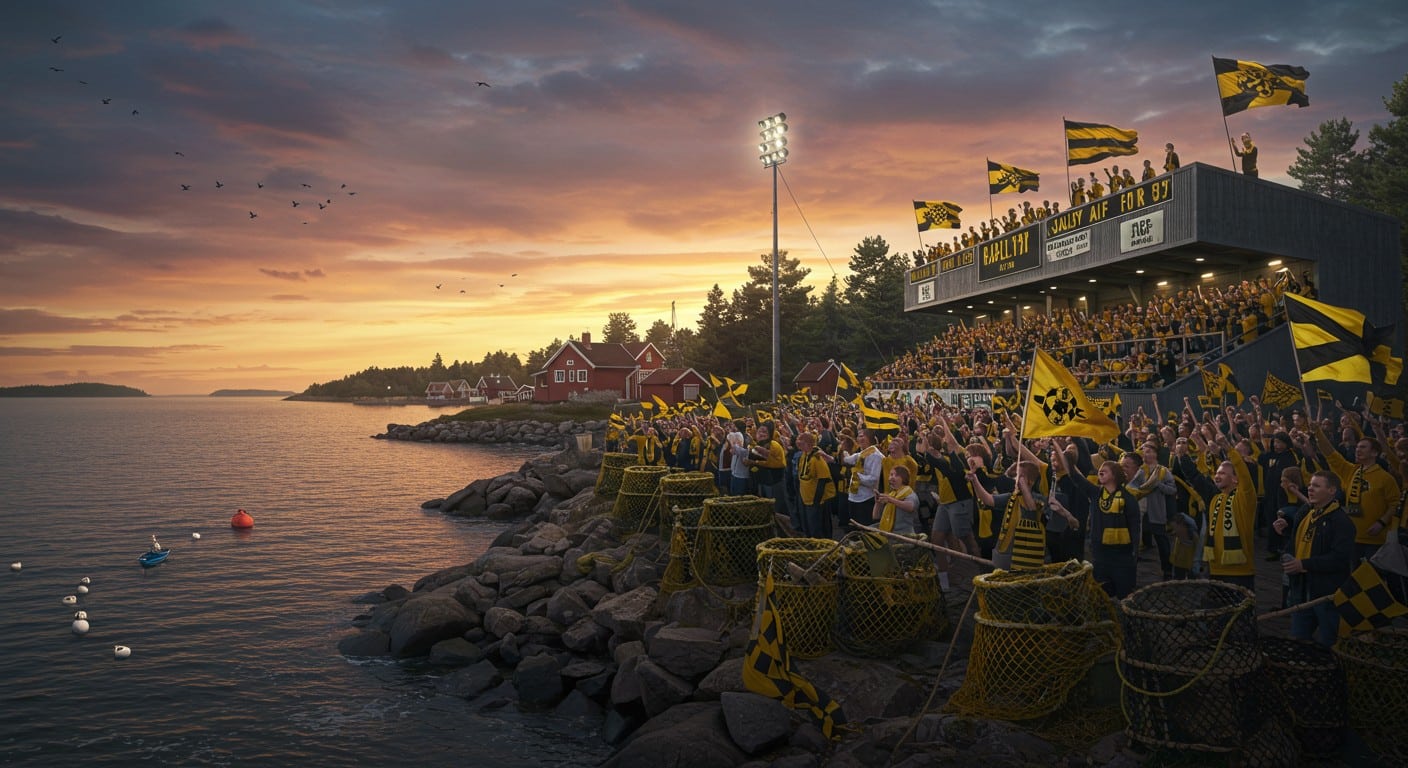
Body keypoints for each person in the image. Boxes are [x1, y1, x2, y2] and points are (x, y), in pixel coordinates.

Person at [1273, 471, 1356, 647]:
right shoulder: (1305, 512)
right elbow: (1300, 541)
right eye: (1310, 485)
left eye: (1317, 486)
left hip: (1325, 593)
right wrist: (1286, 532)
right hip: (1300, 589)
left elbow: (1339, 558)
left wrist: (1303, 564)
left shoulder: (1341, 521)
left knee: (1330, 643)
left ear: (1332, 490)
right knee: (1299, 640)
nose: (1310, 489)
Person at [1310, 426, 1401, 561]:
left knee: (1371, 579)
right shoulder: (1351, 471)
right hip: (1350, 536)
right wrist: (1318, 432)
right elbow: (1331, 455)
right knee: (1352, 576)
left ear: (1375, 453)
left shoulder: (1385, 478)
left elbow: (1395, 504)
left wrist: (1381, 522)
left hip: (1375, 540)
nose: (1358, 449)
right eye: (1357, 447)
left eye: (1363, 447)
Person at [969, 461, 1049, 572]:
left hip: (1027, 557)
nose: (1016, 479)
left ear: (1031, 481)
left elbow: (1032, 509)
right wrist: (975, 480)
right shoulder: (1012, 497)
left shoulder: (1039, 498)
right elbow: (988, 499)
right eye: (1016, 476)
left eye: (1020, 476)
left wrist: (1023, 485)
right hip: (1006, 553)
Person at [841, 429, 884, 537]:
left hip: (865, 499)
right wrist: (844, 451)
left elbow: (873, 480)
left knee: (865, 531)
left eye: (862, 436)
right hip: (854, 496)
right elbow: (848, 459)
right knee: (856, 529)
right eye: (858, 436)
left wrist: (857, 476)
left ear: (870, 438)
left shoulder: (876, 456)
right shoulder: (862, 453)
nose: (859, 439)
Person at [795, 431, 835, 538]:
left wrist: (816, 501)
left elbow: (823, 480)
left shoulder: (817, 458)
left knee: (817, 528)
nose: (798, 444)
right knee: (807, 526)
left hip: (815, 499)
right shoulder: (803, 455)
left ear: (809, 444)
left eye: (801, 442)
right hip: (805, 497)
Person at [875, 466, 919, 535]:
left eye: (896, 475)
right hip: (888, 533)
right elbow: (875, 516)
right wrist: (877, 503)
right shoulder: (891, 494)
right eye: (891, 475)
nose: (892, 477)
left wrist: (891, 500)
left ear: (904, 478)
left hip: (904, 535)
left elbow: (910, 507)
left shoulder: (909, 493)